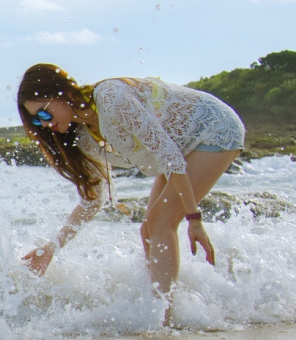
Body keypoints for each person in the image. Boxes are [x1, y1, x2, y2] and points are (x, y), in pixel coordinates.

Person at [16, 63, 245, 304]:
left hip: (213, 128)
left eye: (44, 112)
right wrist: (52, 247)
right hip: (179, 149)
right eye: (37, 120)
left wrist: (193, 218)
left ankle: (161, 319)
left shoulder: (111, 97)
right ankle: (158, 305)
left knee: (160, 223)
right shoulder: (82, 138)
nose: (43, 123)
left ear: (65, 93)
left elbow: (168, 156)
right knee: (148, 230)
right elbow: (93, 200)